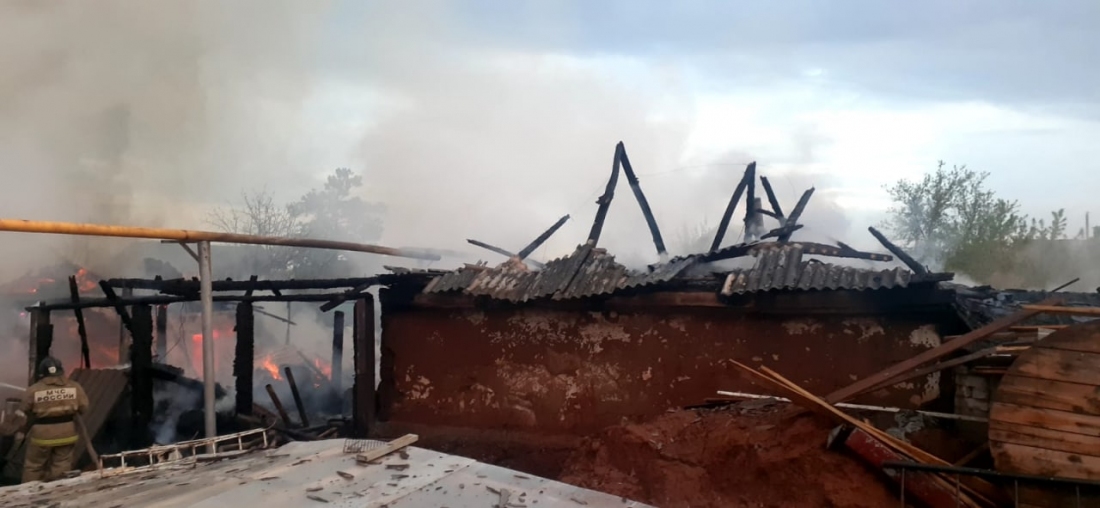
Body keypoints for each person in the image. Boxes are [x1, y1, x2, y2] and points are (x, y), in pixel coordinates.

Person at [19, 357, 89, 483]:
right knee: (62, 465)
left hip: (42, 435)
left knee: (34, 466)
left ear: (42, 373)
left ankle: (28, 491)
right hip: (67, 433)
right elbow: (84, 408)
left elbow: (24, 409)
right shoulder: (75, 387)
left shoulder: (34, 390)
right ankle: (58, 489)